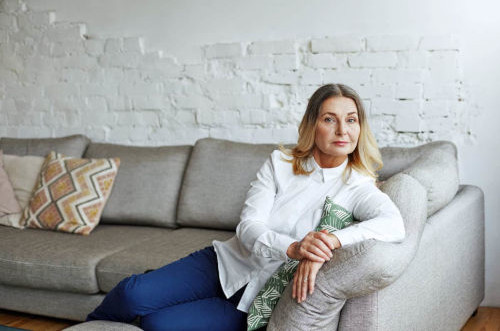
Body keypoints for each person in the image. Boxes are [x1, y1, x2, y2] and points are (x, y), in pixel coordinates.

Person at [86, 83, 406, 330]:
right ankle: (87, 326)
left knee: (160, 324)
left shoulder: (358, 184)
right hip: (226, 262)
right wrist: (293, 248)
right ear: (312, 125)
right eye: (330, 119)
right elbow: (249, 226)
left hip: (254, 298)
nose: (343, 130)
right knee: (132, 294)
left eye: (351, 120)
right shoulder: (280, 162)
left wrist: (334, 239)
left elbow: (394, 224)